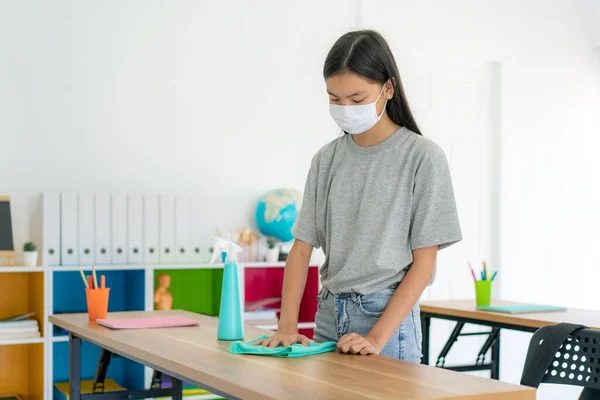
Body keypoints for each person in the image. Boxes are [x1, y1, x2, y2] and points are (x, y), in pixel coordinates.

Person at [256, 30, 462, 362]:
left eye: (356, 99)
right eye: (334, 99)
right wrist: (288, 327)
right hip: (328, 314)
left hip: (386, 320)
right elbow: (301, 248)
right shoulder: (326, 159)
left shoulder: (422, 157)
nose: (345, 109)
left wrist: (377, 338)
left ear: (388, 89)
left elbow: (424, 265)